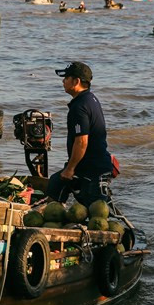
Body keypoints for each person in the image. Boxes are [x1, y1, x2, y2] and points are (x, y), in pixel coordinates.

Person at [46, 61, 113, 206]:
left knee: (96, 211)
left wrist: (70, 169)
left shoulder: (79, 107)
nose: (63, 81)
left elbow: (81, 142)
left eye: (66, 78)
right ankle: (54, 213)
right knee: (56, 183)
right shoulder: (90, 99)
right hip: (86, 164)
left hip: (93, 169)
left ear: (76, 81)